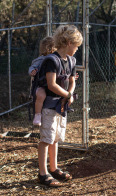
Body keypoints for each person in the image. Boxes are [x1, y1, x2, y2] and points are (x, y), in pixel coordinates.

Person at [37, 25, 83, 187]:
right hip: (49, 105)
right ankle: (43, 173)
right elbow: (51, 85)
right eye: (76, 45)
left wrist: (69, 94)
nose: (77, 49)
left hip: (61, 105)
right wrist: (68, 95)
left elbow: (72, 80)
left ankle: (54, 168)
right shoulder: (52, 61)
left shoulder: (71, 60)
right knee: (46, 138)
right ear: (69, 43)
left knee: (55, 138)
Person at [28, 37, 56, 126]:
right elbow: (31, 68)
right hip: (42, 85)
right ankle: (37, 114)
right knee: (40, 95)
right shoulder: (40, 59)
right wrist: (32, 72)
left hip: (54, 84)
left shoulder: (57, 59)